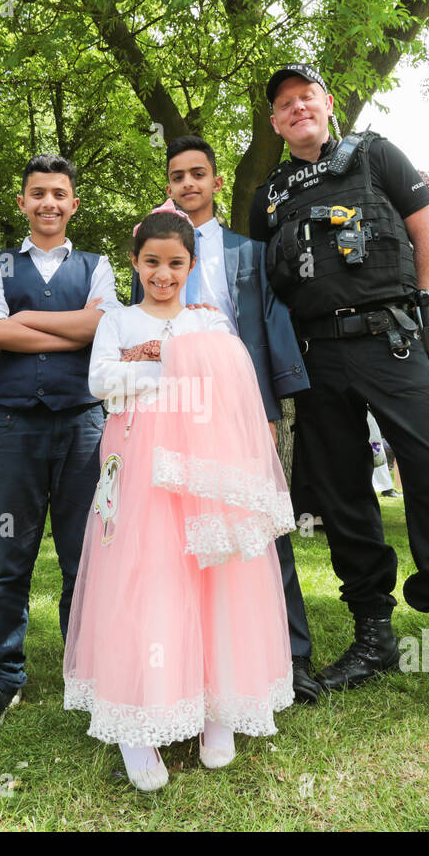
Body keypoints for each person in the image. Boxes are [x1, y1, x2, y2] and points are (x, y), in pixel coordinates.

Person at [249, 62, 429, 751]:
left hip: (393, 343)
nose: (295, 109)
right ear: (274, 122)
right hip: (317, 357)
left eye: (305, 97)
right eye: (282, 105)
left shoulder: (376, 153)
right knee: (344, 496)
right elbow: (262, 283)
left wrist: (409, 310)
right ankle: (373, 639)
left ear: (326, 103)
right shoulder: (268, 193)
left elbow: (428, 236)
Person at [64, 210, 294, 791]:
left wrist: (157, 364)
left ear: (192, 265)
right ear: (134, 263)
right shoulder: (116, 319)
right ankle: (136, 720)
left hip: (202, 469)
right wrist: (164, 369)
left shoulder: (209, 319)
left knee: (213, 575)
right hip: (140, 463)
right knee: (147, 574)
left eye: (175, 264)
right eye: (151, 263)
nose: (162, 275)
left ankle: (218, 702)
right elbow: (100, 383)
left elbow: (227, 386)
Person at [134, 134, 316, 701]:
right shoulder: (153, 252)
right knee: (184, 528)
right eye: (177, 176)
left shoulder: (248, 251)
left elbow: (265, 328)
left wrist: (266, 406)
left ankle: (290, 655)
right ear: (168, 186)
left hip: (238, 404)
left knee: (259, 523)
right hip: (176, 407)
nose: (187, 184)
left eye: (197, 174)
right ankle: (199, 658)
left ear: (215, 181)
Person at [0, 154, 120, 735]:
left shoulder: (97, 264)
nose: (48, 203)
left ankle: (89, 672)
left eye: (59, 193)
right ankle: (2, 676)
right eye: (38, 193)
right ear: (23, 202)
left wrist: (25, 320)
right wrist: (69, 324)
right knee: (11, 559)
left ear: (73, 203)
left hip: (83, 427)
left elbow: (102, 328)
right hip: (14, 428)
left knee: (86, 559)